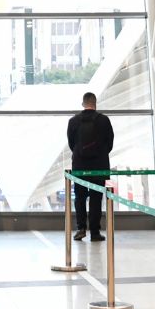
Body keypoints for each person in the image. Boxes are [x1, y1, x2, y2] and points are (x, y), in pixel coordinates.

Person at [67, 92, 114, 241]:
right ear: (95, 103)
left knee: (80, 197)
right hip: (99, 165)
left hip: (79, 166)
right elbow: (110, 143)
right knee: (96, 197)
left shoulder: (73, 121)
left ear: (83, 104)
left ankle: (81, 228)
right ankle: (94, 232)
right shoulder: (104, 121)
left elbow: (71, 143)